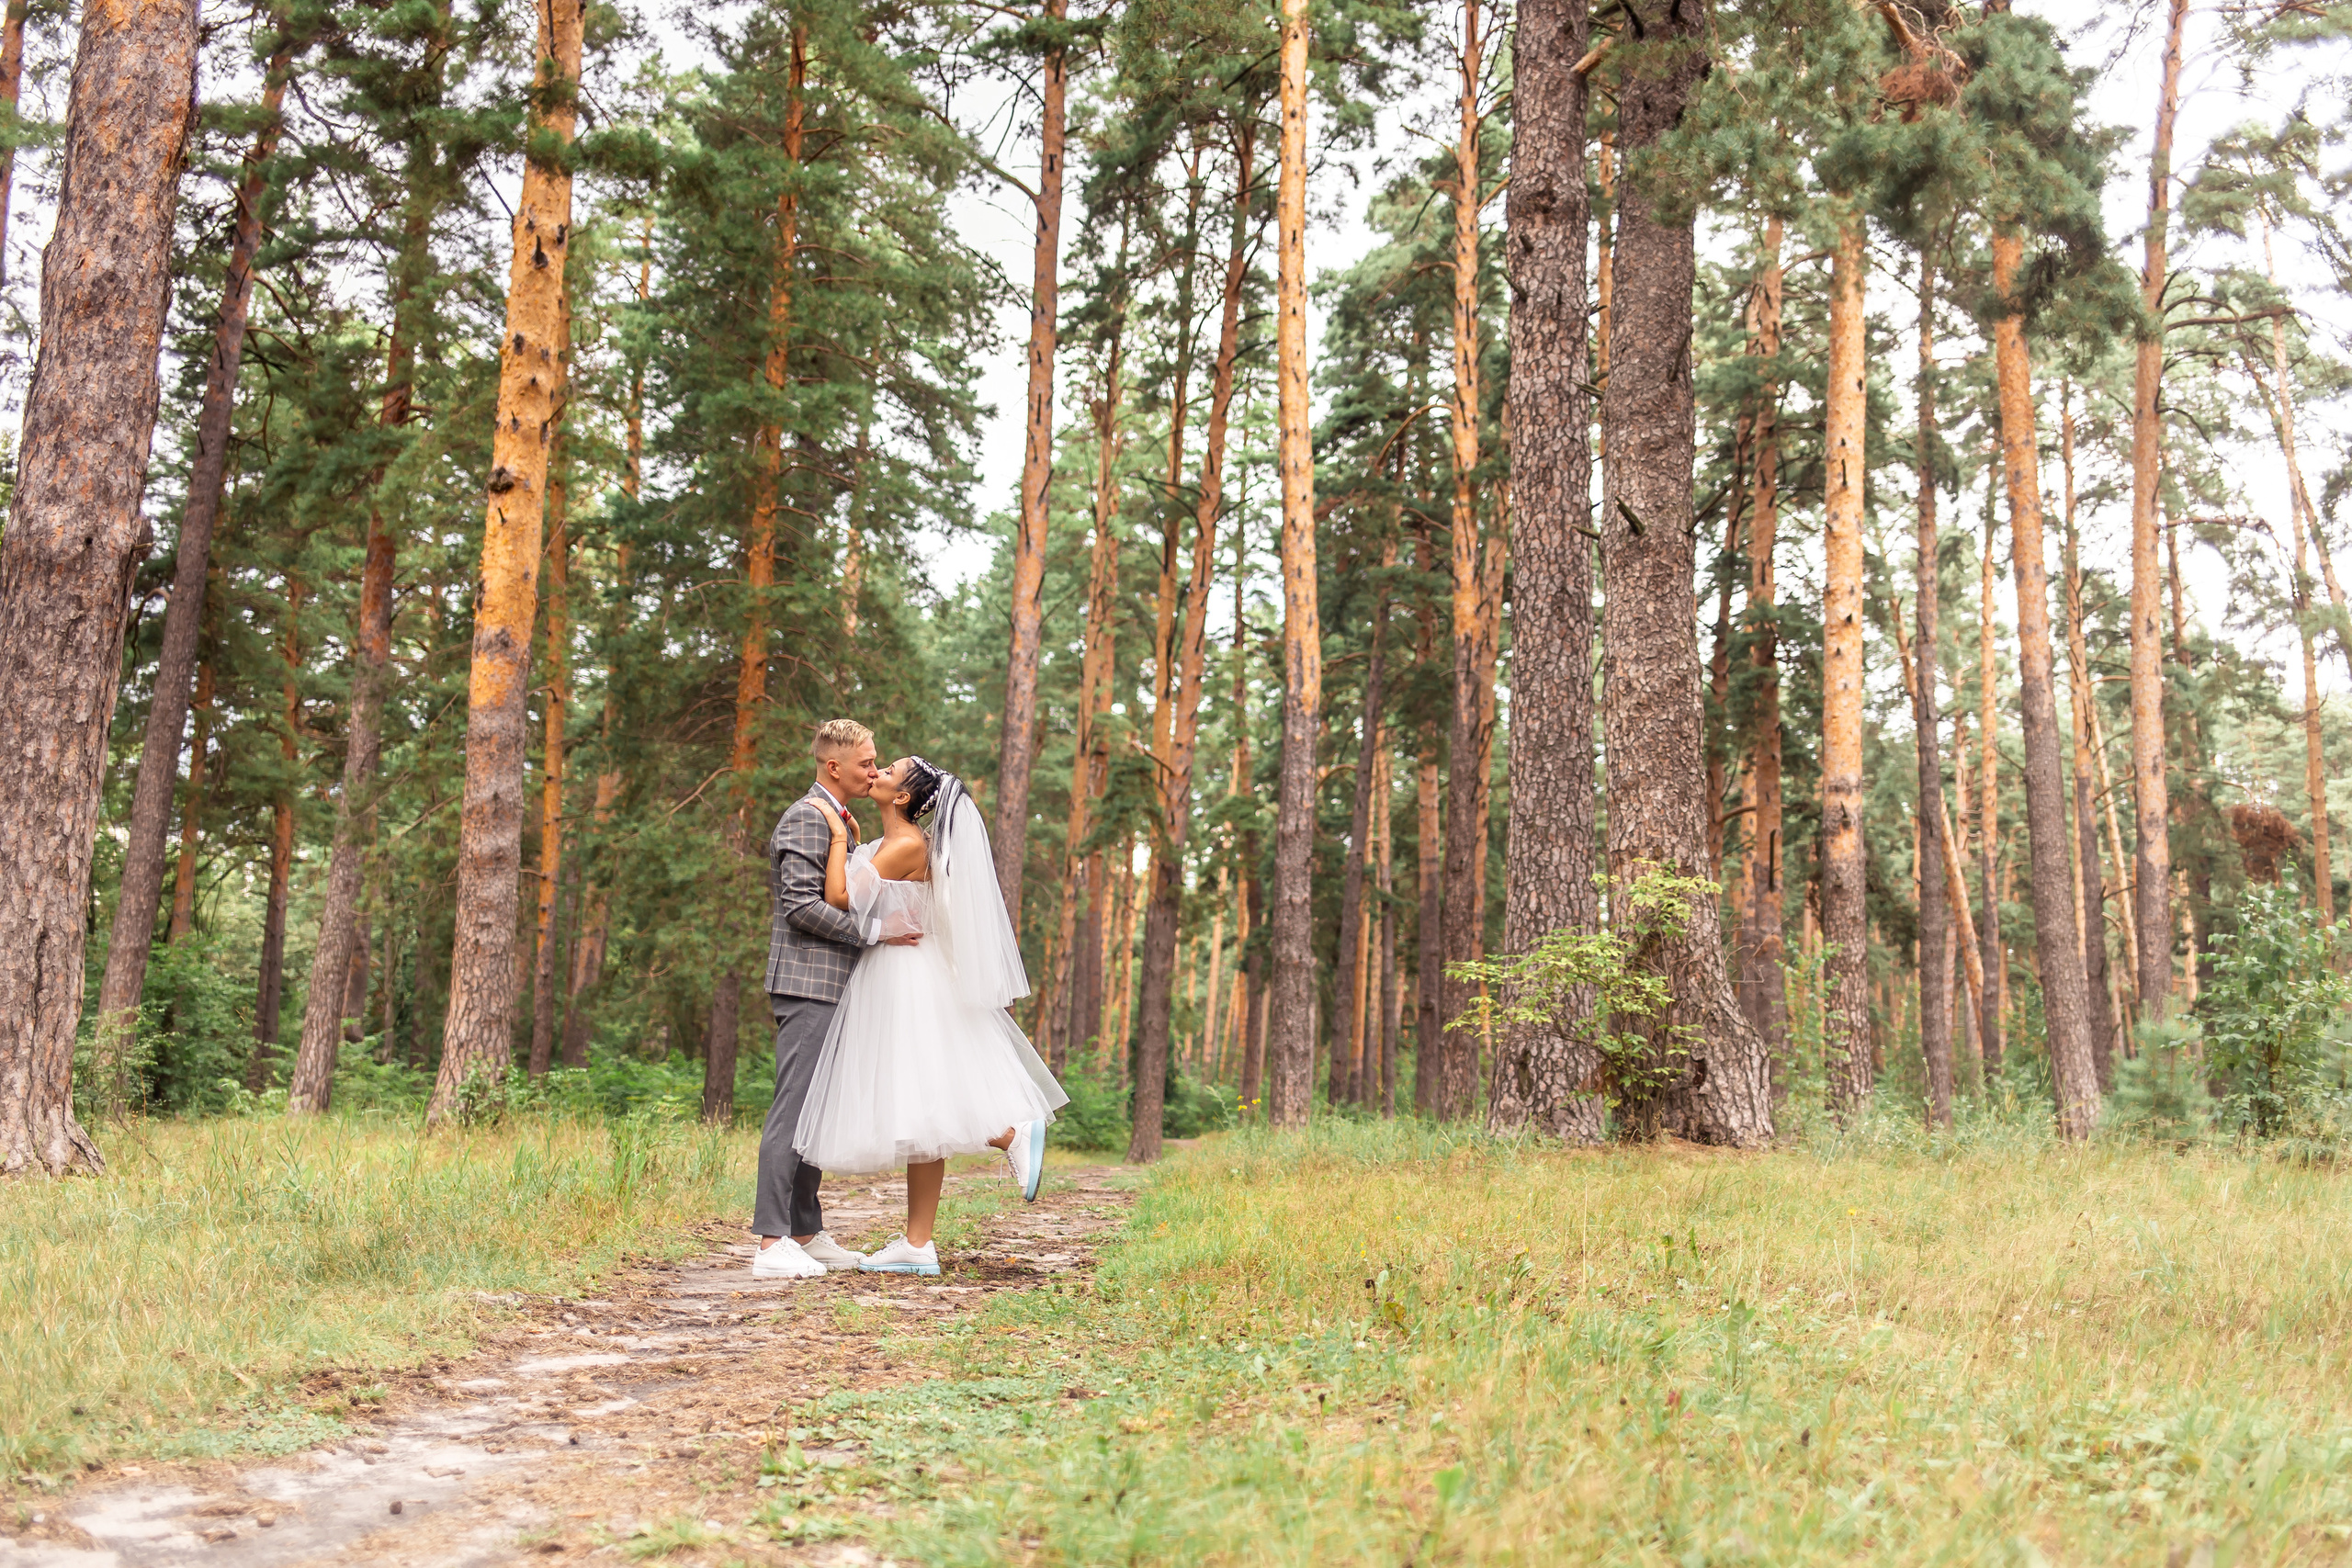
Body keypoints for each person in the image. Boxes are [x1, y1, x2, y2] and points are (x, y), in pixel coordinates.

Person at [794, 756, 1068, 1277]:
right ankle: (917, 1244)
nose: (875, 772)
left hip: (904, 976)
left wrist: (834, 835)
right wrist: (853, 841)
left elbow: (838, 897)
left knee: (923, 1095)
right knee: (922, 1106)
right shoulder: (900, 844)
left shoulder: (906, 844)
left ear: (902, 798)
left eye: (888, 770)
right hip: (904, 969)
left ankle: (1010, 1133)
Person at [749, 719, 914, 1280]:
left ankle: (805, 1232)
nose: (875, 769)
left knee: (813, 1115)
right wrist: (873, 933)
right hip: (807, 985)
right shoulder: (806, 815)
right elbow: (799, 906)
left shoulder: (843, 819)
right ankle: (771, 1244)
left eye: (877, 762)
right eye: (867, 763)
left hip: (836, 987)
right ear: (833, 766)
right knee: (793, 1111)